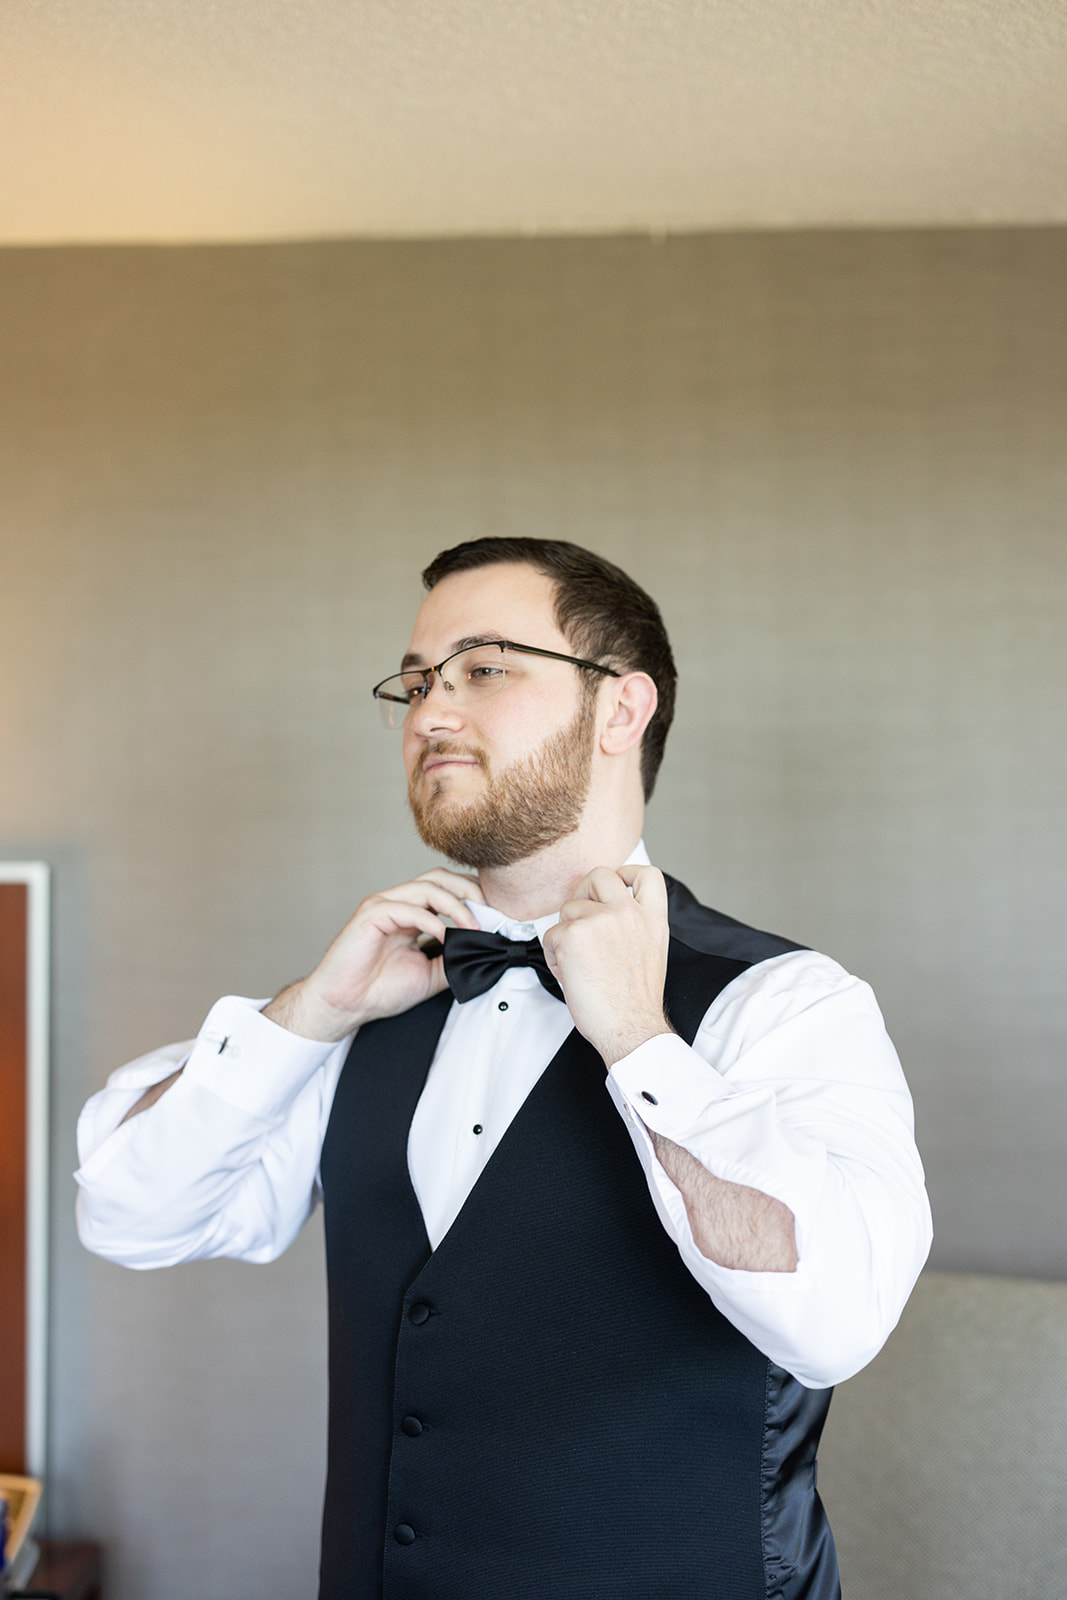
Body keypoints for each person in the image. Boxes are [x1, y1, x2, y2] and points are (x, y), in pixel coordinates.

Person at [76, 537, 932, 1600]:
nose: (429, 713)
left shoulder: (786, 1004)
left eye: (482, 669)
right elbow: (130, 1214)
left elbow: (834, 1319)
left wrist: (637, 1037)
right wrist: (309, 1014)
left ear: (620, 709)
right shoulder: (371, 998)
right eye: (415, 683)